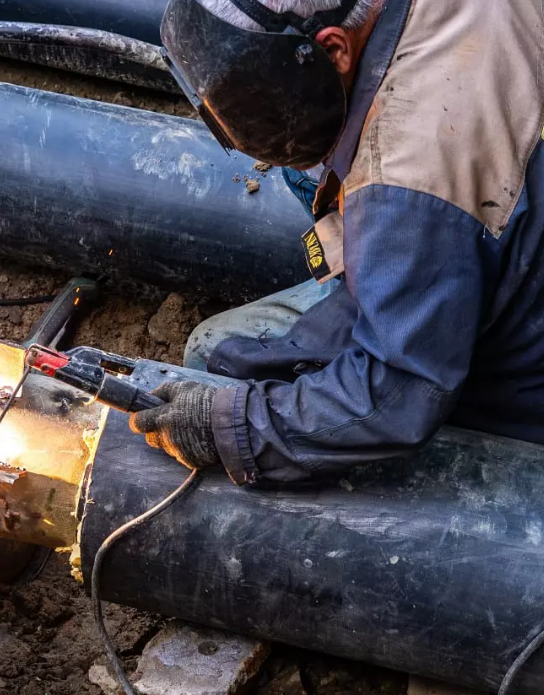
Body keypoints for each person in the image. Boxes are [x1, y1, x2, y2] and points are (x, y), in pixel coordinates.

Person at [131, 0, 544, 484]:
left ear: (331, 48)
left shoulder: (407, 180)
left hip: (517, 377)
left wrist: (232, 426)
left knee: (219, 360)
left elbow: (394, 395)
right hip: (503, 250)